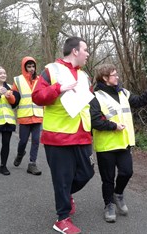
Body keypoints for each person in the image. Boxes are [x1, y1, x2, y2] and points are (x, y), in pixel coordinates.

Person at [32, 36, 94, 234]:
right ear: (75, 51)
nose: (88, 54)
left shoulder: (84, 76)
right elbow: (37, 97)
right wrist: (58, 88)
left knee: (87, 172)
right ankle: (62, 219)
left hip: (82, 134)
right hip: (58, 136)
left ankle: (66, 195)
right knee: (62, 178)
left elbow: (89, 102)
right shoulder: (52, 70)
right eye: (85, 50)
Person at [90, 63, 147, 223]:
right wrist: (113, 126)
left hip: (124, 143)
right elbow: (94, 121)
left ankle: (118, 194)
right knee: (108, 179)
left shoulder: (123, 92)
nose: (117, 77)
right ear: (105, 78)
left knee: (127, 172)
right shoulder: (96, 97)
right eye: (114, 75)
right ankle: (108, 205)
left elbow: (138, 101)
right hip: (106, 146)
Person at [11, 56, 43, 175]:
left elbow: (43, 96)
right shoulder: (18, 80)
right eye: (29, 66)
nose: (31, 68)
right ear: (24, 67)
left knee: (35, 141)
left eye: (33, 66)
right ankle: (20, 154)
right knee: (23, 141)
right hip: (24, 116)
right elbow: (14, 98)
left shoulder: (40, 80)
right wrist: (9, 97)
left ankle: (32, 164)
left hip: (38, 115)